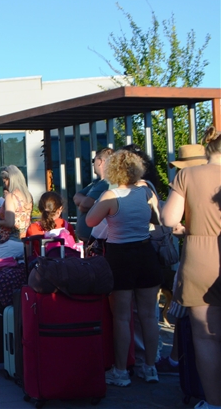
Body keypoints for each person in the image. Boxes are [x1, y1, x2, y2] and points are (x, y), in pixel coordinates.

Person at [86, 149, 162, 387]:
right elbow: (157, 219)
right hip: (146, 253)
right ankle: (150, 367)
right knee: (149, 316)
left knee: (121, 317)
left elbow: (90, 221)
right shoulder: (146, 192)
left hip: (120, 256)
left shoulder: (111, 195)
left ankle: (120, 372)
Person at [162, 128, 221, 408]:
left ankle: (214, 402)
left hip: (200, 259)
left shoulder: (187, 175)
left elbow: (168, 218)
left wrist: (188, 226)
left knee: (206, 338)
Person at [74, 148, 114, 243]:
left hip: (99, 242)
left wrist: (84, 203)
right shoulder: (96, 183)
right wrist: (85, 202)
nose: (93, 164)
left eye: (93, 160)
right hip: (91, 242)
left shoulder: (107, 183)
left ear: (100, 161)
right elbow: (76, 197)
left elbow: (85, 205)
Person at [0, 165, 33, 259]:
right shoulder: (28, 196)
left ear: (10, 180)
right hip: (26, 241)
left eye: (5, 181)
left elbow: (10, 222)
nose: (5, 185)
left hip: (11, 241)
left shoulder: (10, 196)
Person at [25, 191, 77, 256]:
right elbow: (72, 248)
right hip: (63, 262)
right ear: (60, 209)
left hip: (41, 262)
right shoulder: (66, 226)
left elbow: (28, 254)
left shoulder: (33, 228)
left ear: (40, 208)